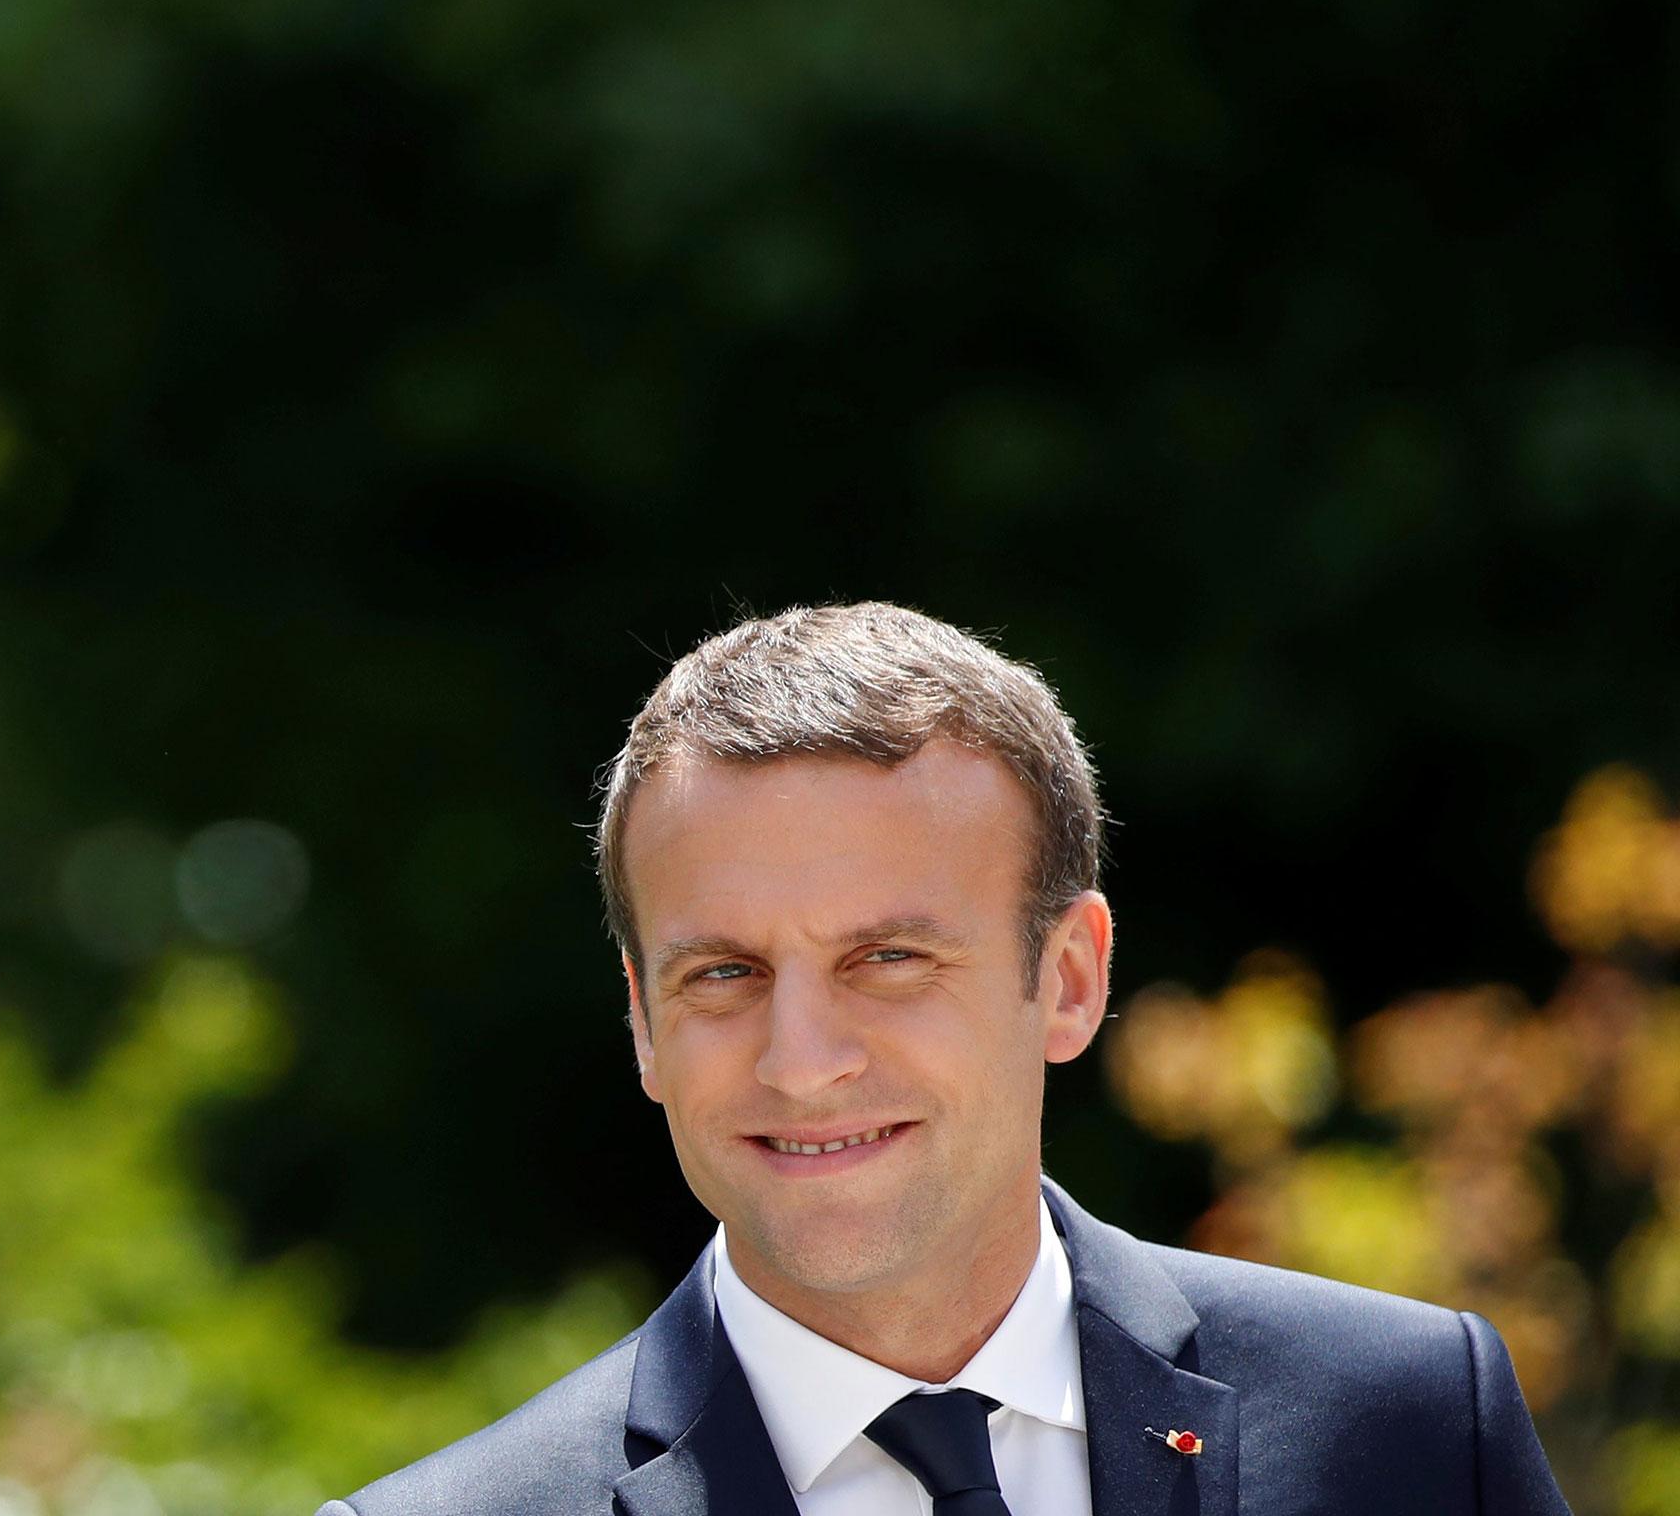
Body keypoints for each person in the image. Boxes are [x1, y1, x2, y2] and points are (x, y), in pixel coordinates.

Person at [318, 601, 1571, 1516]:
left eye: (887, 960)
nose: (799, 1063)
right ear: (643, 1021)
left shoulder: (1406, 1426)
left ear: (1069, 979)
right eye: (724, 974)